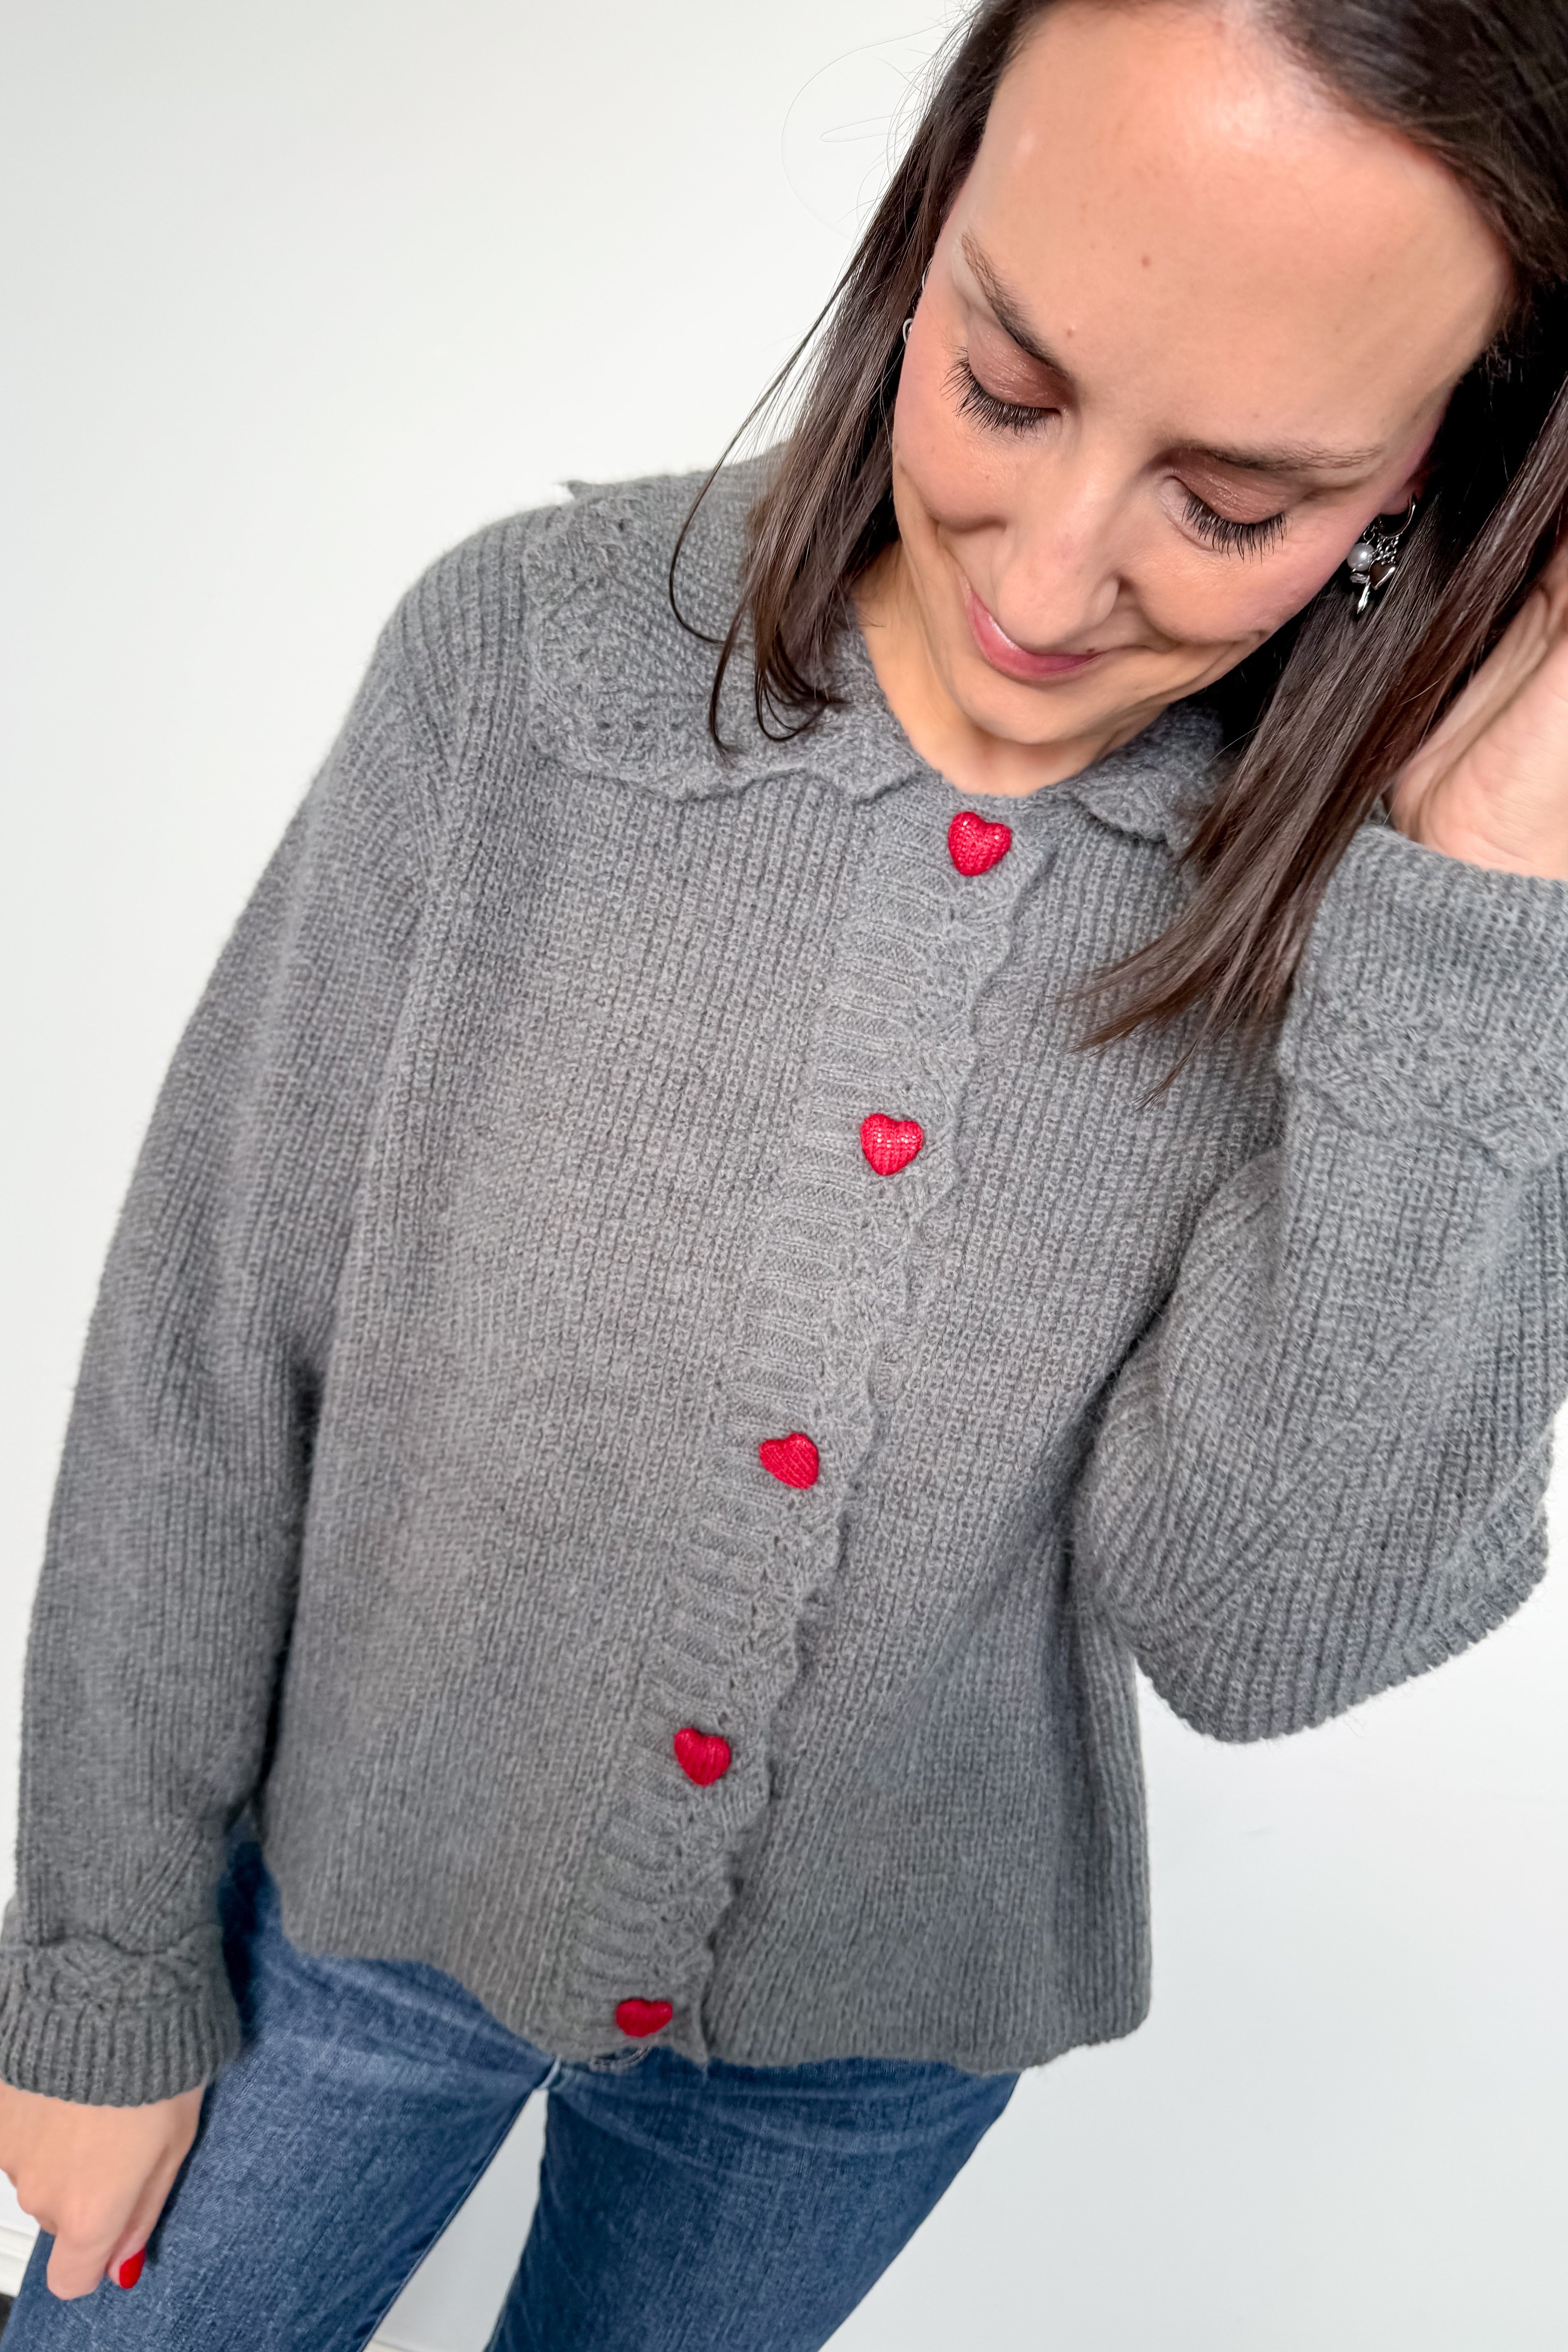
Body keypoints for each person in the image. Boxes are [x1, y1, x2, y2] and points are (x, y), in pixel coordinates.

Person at [3, 1, 1567, 2344]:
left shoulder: (1406, 953)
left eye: (1233, 503)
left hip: (877, 2033)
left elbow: (1255, 1634)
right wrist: (102, 1962)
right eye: (1008, 387)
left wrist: (1480, 924)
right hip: (344, 1914)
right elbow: (213, 1343)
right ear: (928, 237)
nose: (1050, 578)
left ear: (1424, 490)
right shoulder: (527, 673)